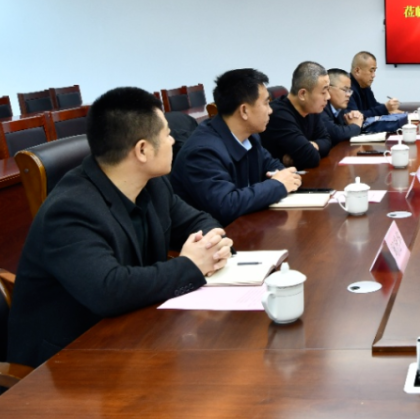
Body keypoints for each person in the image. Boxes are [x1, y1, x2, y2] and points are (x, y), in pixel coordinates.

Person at [8, 87, 231, 368]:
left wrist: (212, 245)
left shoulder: (153, 184)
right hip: (65, 364)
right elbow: (109, 290)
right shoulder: (70, 209)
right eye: (166, 135)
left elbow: (199, 221)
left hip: (134, 333)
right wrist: (191, 265)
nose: (173, 141)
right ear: (142, 150)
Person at [171, 69, 302, 225]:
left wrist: (283, 179)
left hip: (248, 226)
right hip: (213, 235)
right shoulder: (203, 151)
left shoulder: (250, 137)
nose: (270, 110)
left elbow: (274, 167)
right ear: (244, 110)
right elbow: (226, 205)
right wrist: (277, 185)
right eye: (266, 103)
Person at [260, 61, 333, 169]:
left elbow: (327, 141)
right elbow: (311, 158)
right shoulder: (279, 115)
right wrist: (312, 149)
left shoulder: (311, 108)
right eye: (323, 92)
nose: (328, 97)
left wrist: (313, 145)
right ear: (303, 94)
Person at [348, 51, 404, 119]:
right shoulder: (347, 88)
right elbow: (355, 117)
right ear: (357, 71)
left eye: (374, 71)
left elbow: (373, 106)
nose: (374, 75)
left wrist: (389, 109)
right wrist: (385, 108)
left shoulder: (365, 86)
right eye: (371, 71)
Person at [322, 67, 364, 145]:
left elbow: (346, 129)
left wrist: (355, 118)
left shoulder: (340, 109)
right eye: (345, 90)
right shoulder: (320, 107)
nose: (348, 95)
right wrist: (356, 125)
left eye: (349, 90)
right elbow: (336, 134)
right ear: (328, 89)